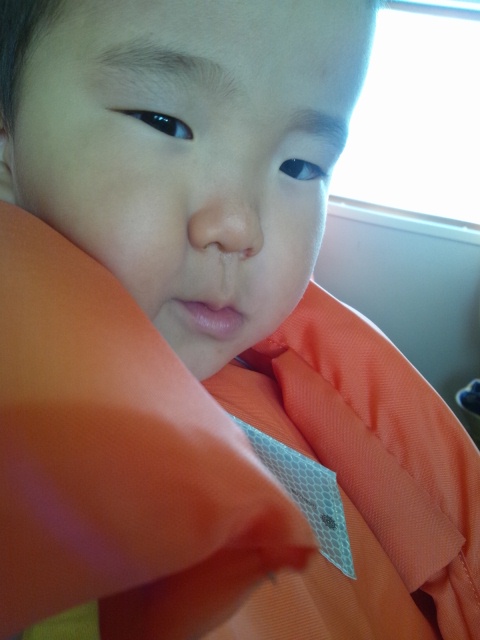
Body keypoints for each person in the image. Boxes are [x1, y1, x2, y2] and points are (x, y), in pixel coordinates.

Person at [0, 0, 478, 638]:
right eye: (166, 124)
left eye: (300, 166)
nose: (240, 227)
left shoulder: (276, 374)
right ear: (6, 143)